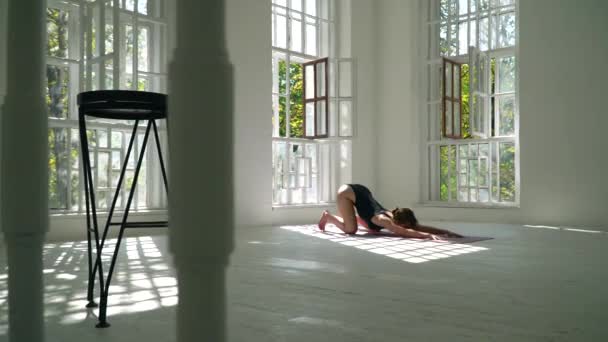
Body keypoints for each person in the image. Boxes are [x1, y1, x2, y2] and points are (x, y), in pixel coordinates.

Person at [317, 184, 462, 240]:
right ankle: (328, 216)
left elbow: (415, 227)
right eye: (404, 225)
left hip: (362, 191)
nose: (406, 227)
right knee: (351, 230)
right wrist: (428, 236)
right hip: (347, 193)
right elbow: (403, 232)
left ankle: (353, 217)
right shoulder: (384, 220)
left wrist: (445, 231)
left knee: (370, 227)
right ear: (399, 222)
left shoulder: (395, 214)